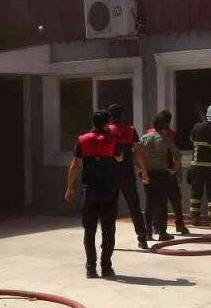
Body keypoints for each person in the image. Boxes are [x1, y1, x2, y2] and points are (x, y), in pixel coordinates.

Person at [64, 109, 125, 278]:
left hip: (89, 190)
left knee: (89, 230)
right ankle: (106, 267)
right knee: (108, 229)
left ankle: (91, 268)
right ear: (107, 123)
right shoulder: (113, 139)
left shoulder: (82, 140)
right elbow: (120, 158)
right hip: (109, 190)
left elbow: (75, 165)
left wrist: (69, 188)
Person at [106, 103, 149, 250]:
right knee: (134, 206)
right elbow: (138, 151)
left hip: (110, 175)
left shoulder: (105, 131)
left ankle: (108, 241)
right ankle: (142, 239)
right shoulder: (130, 130)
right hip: (127, 174)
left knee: (110, 208)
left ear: (109, 116)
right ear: (122, 115)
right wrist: (143, 170)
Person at [137, 111, 181, 241]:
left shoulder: (144, 137)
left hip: (148, 174)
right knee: (161, 203)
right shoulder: (165, 138)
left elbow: (136, 154)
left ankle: (149, 232)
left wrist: (141, 169)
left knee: (149, 203)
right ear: (164, 125)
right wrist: (174, 169)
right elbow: (177, 154)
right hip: (162, 174)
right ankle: (162, 233)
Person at [146, 110, 190, 234]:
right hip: (167, 172)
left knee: (153, 201)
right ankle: (178, 224)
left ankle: (154, 227)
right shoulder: (170, 135)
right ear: (168, 122)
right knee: (175, 199)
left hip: (151, 172)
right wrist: (177, 171)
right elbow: (176, 155)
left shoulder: (148, 134)